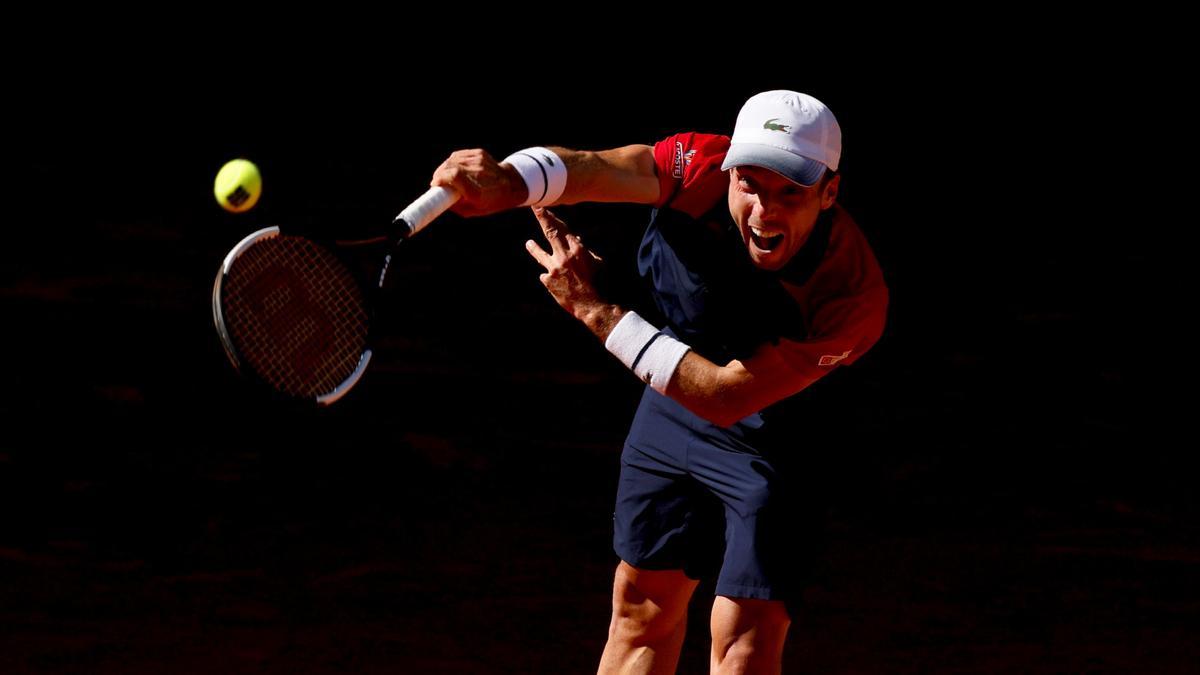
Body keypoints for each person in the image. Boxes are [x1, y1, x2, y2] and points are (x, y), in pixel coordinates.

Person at [431, 90, 887, 674]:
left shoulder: (853, 296)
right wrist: (505, 179)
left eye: (790, 193)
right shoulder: (695, 165)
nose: (764, 211)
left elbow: (729, 396)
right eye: (749, 184)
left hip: (780, 441)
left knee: (744, 635)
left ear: (830, 192)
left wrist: (598, 312)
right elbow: (594, 167)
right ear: (727, 170)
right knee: (639, 613)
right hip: (671, 409)